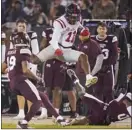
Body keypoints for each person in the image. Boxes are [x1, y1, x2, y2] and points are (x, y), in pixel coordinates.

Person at [1, 32, 69, 129]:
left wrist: (10, 71)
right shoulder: (24, 50)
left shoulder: (10, 51)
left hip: (13, 83)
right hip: (21, 80)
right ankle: (23, 122)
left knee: (43, 97)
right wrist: (38, 78)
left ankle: (59, 118)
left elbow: (2, 69)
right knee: (37, 102)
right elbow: (25, 70)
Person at [31, 3, 98, 87]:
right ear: (67, 15)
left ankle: (89, 78)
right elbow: (54, 40)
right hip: (55, 48)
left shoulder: (78, 19)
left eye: (75, 17)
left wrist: (83, 30)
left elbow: (77, 27)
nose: (74, 19)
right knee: (35, 60)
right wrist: (57, 49)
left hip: (66, 51)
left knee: (83, 56)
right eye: (72, 17)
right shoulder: (60, 22)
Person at [67, 69, 132, 125]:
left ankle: (71, 122)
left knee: (87, 120)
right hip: (104, 109)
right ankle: (75, 81)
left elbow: (126, 102)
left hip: (106, 116)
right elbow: (126, 101)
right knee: (83, 95)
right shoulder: (128, 97)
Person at [41, 26, 78, 118]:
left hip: (66, 63)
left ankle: (73, 112)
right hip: (52, 62)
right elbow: (42, 46)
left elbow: (72, 47)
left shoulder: (68, 32)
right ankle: (47, 112)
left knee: (68, 89)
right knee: (49, 88)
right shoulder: (49, 32)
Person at [11, 18, 41, 120]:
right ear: (16, 27)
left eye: (23, 26)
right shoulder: (13, 36)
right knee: (20, 89)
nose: (22, 28)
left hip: (29, 63)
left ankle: (30, 112)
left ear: (26, 27)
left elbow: (35, 52)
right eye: (20, 26)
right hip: (18, 64)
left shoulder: (31, 35)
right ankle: (21, 112)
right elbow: (12, 51)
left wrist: (33, 66)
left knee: (29, 89)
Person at [91, 22, 118, 102]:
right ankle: (98, 111)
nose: (102, 30)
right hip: (96, 68)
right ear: (97, 30)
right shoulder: (92, 39)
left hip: (108, 67)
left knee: (108, 90)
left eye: (103, 29)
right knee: (97, 90)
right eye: (100, 28)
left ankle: (111, 111)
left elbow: (114, 54)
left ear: (106, 30)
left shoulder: (112, 39)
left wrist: (109, 64)